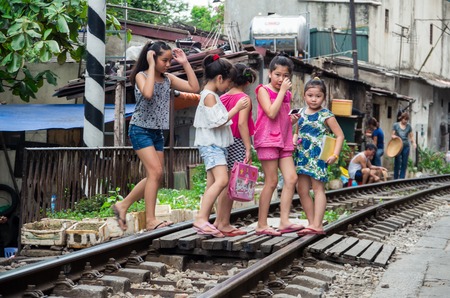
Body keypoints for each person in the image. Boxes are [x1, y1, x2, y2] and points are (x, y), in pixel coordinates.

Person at [112, 41, 200, 231]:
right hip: (140, 129)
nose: (168, 64)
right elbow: (148, 93)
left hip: (157, 132)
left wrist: (185, 63)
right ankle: (151, 220)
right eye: (164, 60)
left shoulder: (168, 78)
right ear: (152, 57)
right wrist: (151, 66)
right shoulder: (140, 76)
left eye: (170, 61)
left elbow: (194, 88)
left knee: (155, 176)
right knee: (155, 173)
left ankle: (123, 205)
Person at [192, 54, 249, 237]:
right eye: (227, 83)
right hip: (212, 146)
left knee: (212, 184)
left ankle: (206, 220)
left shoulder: (211, 95)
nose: (228, 87)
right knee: (222, 180)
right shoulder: (209, 96)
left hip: (216, 146)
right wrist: (237, 108)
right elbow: (218, 121)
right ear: (219, 78)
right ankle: (201, 218)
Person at [253, 54, 304, 236]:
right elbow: (271, 113)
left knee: (291, 179)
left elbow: (280, 119)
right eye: (277, 75)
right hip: (267, 140)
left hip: (283, 140)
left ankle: (284, 221)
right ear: (269, 73)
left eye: (285, 76)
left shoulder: (287, 94)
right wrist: (282, 91)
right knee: (272, 181)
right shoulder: (263, 90)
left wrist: (291, 119)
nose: (281, 79)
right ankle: (261, 224)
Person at [293, 77, 344, 236]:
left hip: (318, 157)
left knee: (318, 189)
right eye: (310, 95)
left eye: (318, 96)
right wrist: (293, 141)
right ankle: (311, 223)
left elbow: (340, 135)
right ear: (304, 95)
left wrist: (335, 154)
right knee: (301, 190)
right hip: (302, 157)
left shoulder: (326, 114)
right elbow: (296, 132)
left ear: (324, 97)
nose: (313, 99)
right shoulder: (300, 113)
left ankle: (318, 225)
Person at [213, 63, 257, 237]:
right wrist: (248, 147)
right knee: (231, 182)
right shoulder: (244, 99)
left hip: (222, 141)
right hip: (237, 141)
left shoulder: (222, 97)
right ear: (246, 83)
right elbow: (241, 124)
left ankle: (219, 220)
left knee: (223, 182)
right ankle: (224, 223)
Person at [392, 112, 416, 179]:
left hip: (406, 146)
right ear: (401, 118)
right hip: (398, 146)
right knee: (397, 161)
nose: (405, 121)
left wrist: (414, 143)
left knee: (404, 162)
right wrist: (394, 137)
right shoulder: (396, 125)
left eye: (407, 120)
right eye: (404, 119)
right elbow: (393, 134)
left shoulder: (409, 126)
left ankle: (401, 178)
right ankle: (395, 178)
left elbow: (411, 136)